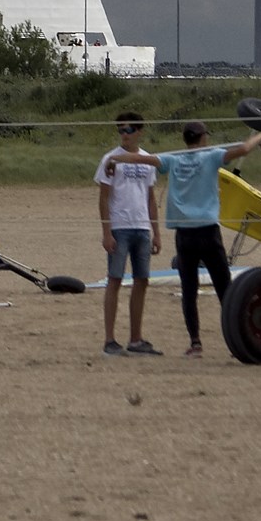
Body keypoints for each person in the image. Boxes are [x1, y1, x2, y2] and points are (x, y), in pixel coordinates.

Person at [153, 119, 261, 357]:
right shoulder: (211, 157)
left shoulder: (173, 159)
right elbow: (244, 149)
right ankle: (238, 337)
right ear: (202, 137)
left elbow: (143, 159)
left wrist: (115, 158)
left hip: (185, 234)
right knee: (225, 288)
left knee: (189, 289)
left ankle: (195, 342)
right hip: (207, 232)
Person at [93, 114, 164, 356]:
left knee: (141, 280)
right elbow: (103, 199)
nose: (124, 133)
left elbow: (151, 198)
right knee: (114, 279)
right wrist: (107, 232)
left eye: (129, 129)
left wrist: (156, 233)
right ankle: (110, 340)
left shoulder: (147, 160)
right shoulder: (109, 159)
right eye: (121, 130)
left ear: (140, 131)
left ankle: (136, 339)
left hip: (142, 227)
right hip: (120, 227)